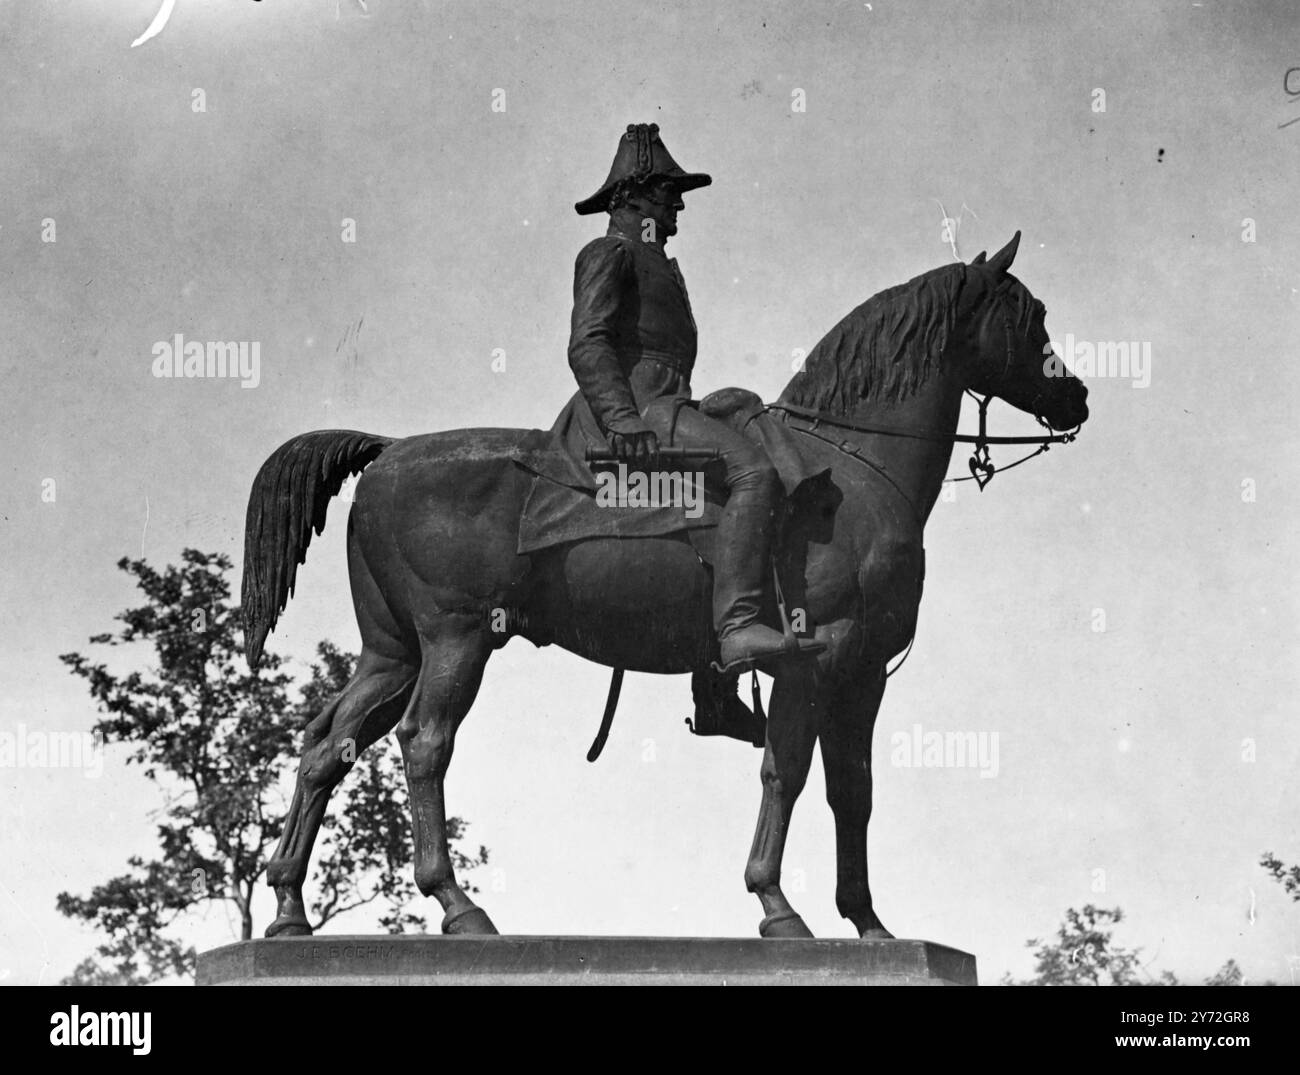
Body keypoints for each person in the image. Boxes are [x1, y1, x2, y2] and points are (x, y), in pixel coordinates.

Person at [563, 123, 822, 672]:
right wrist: (622, 421)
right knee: (753, 472)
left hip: (668, 404)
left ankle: (714, 689)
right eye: (667, 192)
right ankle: (737, 629)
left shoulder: (659, 262)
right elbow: (589, 344)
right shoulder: (609, 252)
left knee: (749, 422)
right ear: (632, 198)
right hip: (638, 410)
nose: (679, 204)